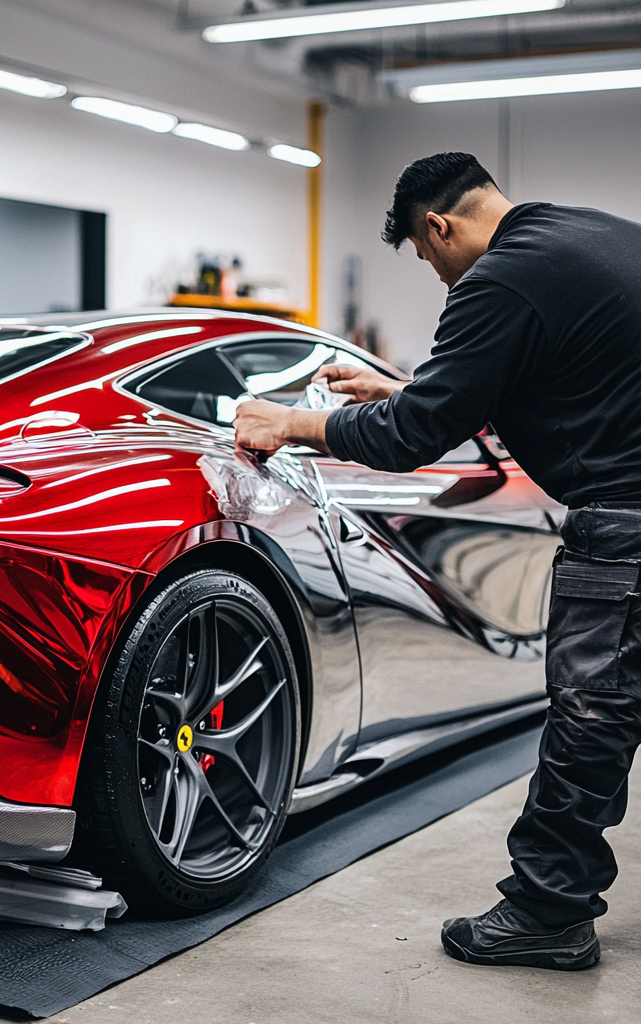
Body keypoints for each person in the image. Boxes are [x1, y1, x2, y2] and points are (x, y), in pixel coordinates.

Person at [234, 151, 641, 972]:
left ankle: (546, 913)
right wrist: (413, 390)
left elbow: (410, 441)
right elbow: (567, 377)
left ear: (439, 225)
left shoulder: (499, 278)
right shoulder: (593, 236)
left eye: (429, 262)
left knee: (589, 719)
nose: (441, 278)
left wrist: (289, 424)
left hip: (626, 526)